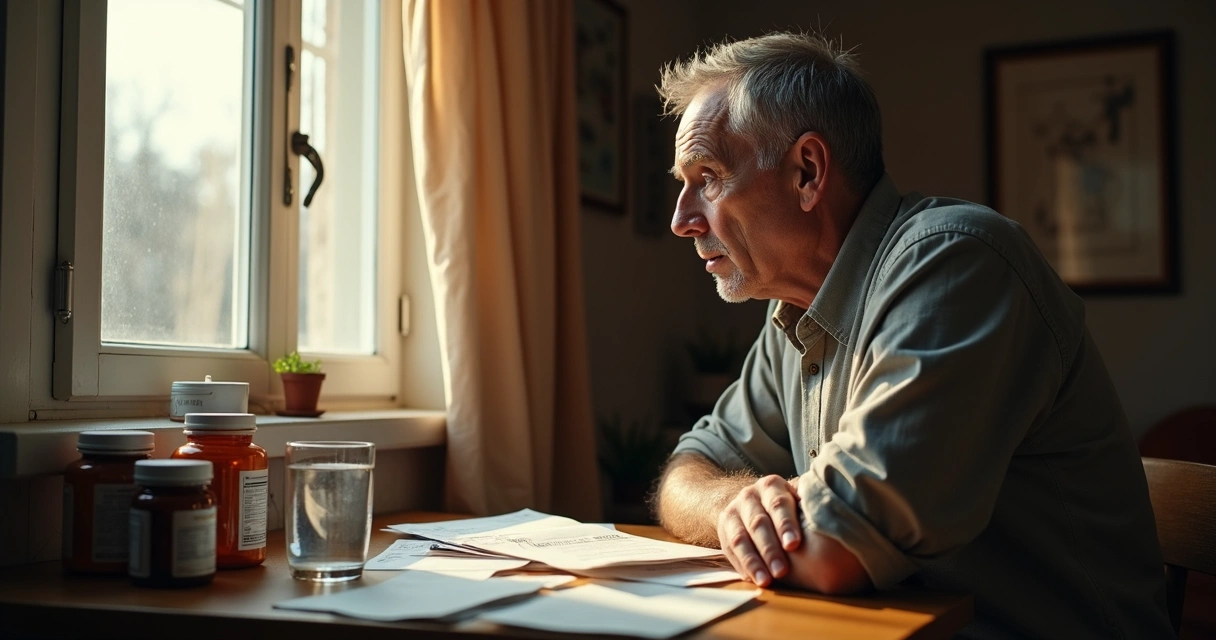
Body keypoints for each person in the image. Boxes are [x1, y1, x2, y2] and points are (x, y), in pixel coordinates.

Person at [653, 31, 1173, 639]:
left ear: (807, 171)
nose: (681, 220)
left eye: (708, 176)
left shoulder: (956, 263)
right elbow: (687, 471)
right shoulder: (795, 314)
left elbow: (831, 548)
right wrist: (731, 504)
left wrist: (772, 515)